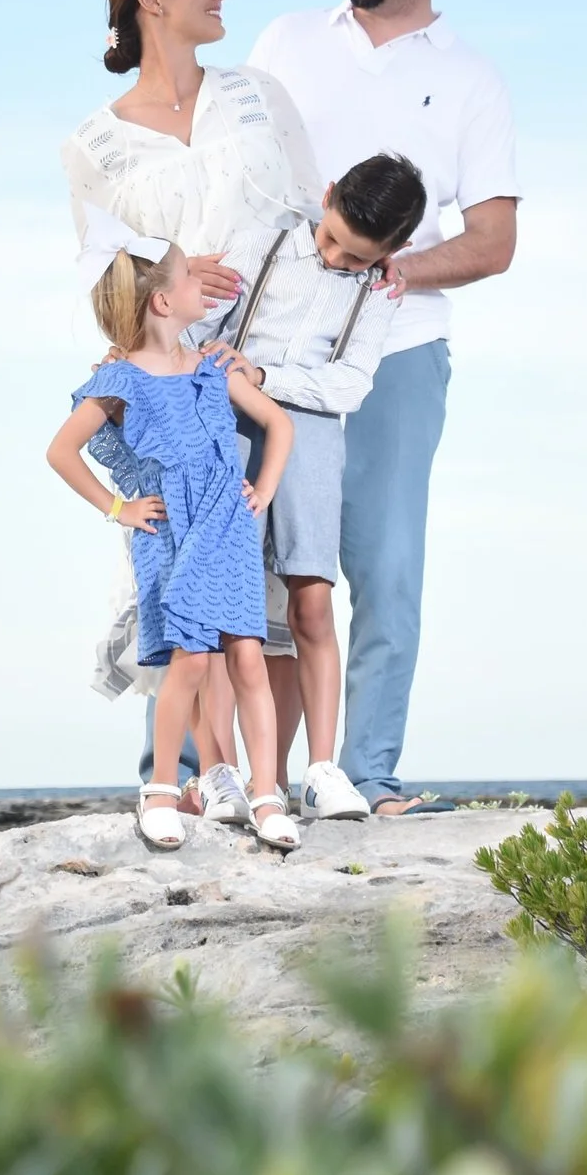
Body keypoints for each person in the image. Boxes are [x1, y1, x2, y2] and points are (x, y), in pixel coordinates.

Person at [243, 0, 520, 815]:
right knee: (245, 554)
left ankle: (367, 777)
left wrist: (395, 270)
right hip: (268, 356)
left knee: (387, 568)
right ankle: (220, 776)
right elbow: (236, 178)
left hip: (398, 356)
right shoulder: (285, 41)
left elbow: (494, 241)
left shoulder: (470, 78)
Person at [59, 0, 322, 781]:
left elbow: (318, 216)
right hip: (177, 379)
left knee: (285, 583)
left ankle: (281, 783)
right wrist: (168, 285)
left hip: (273, 363)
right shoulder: (93, 145)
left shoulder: (257, 95)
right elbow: (103, 276)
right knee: (177, 566)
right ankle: (179, 778)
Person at [184, 153, 431, 825]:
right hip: (225, 423)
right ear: (325, 198)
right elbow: (195, 331)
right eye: (330, 239)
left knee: (312, 604)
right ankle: (218, 771)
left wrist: (265, 377)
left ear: (394, 251)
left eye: (354, 258)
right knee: (218, 612)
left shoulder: (379, 293)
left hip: (313, 431)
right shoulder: (258, 243)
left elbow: (350, 384)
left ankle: (321, 771)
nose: (335, 257)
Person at [46, 209, 299, 851]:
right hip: (172, 535)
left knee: (249, 657)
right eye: (190, 276)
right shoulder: (118, 380)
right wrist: (118, 508)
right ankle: (159, 788)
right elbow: (61, 451)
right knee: (190, 660)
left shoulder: (212, 367)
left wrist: (262, 491)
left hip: (230, 529)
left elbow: (279, 424)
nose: (200, 284)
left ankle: (267, 793)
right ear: (164, 300)